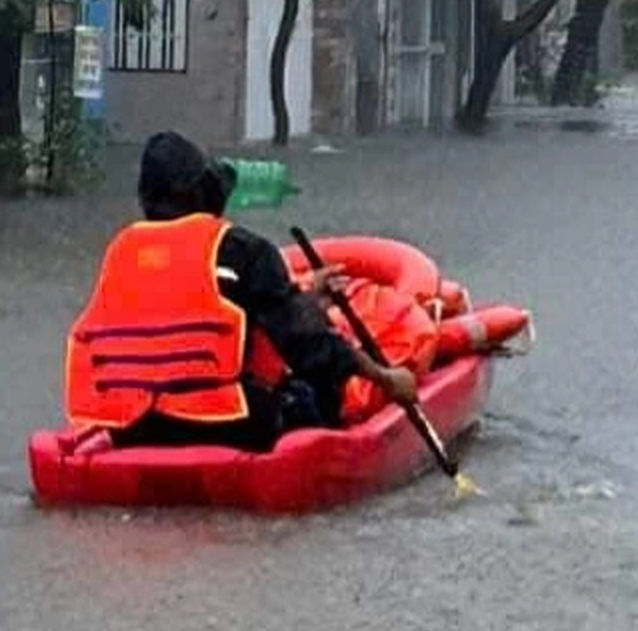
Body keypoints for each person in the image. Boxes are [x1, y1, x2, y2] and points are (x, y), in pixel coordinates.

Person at [63, 130, 418, 451]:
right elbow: (307, 344)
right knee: (312, 393)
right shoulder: (244, 250)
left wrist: (306, 296)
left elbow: (177, 316)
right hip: (224, 424)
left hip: (132, 427)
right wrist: (385, 378)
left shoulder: (120, 252)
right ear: (204, 192)